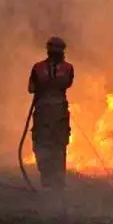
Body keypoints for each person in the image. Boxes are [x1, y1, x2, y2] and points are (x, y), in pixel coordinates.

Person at [28, 36, 74, 190]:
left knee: (43, 146)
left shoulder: (37, 68)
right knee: (59, 148)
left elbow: (31, 89)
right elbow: (67, 83)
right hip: (58, 113)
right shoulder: (68, 68)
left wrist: (44, 84)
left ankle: (47, 183)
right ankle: (57, 185)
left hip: (43, 113)